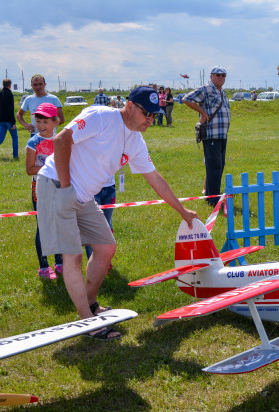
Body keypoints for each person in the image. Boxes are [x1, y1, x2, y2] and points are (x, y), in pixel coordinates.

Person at [36, 87, 199, 339]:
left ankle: (90, 304)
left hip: (82, 195)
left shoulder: (136, 141)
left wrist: (183, 211)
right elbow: (60, 140)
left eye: (155, 116)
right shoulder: (101, 116)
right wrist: (67, 188)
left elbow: (155, 178)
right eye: (147, 113)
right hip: (57, 185)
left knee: (105, 247)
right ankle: (88, 323)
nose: (150, 120)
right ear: (130, 106)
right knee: (73, 256)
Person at [25, 103, 64, 280]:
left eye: (45, 122)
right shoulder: (34, 142)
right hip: (40, 187)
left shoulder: (62, 140)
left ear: (55, 122)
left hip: (60, 186)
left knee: (59, 224)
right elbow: (30, 169)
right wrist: (51, 169)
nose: (41, 125)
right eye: (38, 121)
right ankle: (43, 266)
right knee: (43, 225)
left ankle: (60, 262)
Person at [183, 66, 231, 207]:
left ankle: (211, 195)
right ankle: (213, 199)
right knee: (214, 166)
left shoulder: (222, 92)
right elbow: (187, 99)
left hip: (222, 135)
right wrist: (202, 113)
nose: (221, 77)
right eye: (218, 75)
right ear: (211, 77)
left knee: (219, 166)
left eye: (223, 75)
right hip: (211, 135)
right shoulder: (206, 89)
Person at [0, 78, 19, 159]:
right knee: (14, 137)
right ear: (10, 85)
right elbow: (11, 109)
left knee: (0, 138)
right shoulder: (9, 94)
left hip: (0, 119)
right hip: (9, 120)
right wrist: (13, 122)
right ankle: (15, 155)